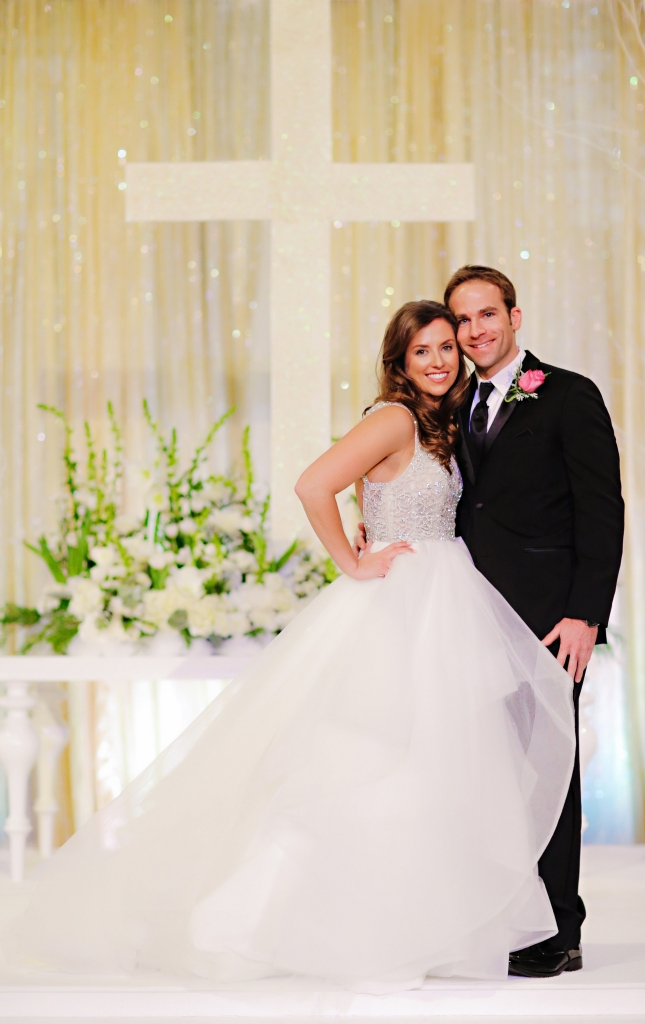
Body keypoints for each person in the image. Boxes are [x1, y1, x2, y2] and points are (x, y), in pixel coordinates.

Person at [11, 301, 576, 993]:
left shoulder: (438, 424)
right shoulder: (395, 418)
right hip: (404, 603)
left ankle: (406, 926)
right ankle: (259, 926)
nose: (439, 361)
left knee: (425, 774)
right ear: (398, 362)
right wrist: (351, 559)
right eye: (421, 351)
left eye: (446, 349)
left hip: (443, 601)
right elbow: (314, 484)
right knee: (369, 769)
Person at [446, 266, 624, 977]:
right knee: (480, 769)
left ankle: (557, 928)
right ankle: (491, 915)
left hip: (550, 620)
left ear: (515, 317)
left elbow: (601, 511)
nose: (475, 331)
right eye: (462, 320)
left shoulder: (569, 396)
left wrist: (587, 613)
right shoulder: (449, 401)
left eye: (487, 314)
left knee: (545, 765)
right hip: (466, 615)